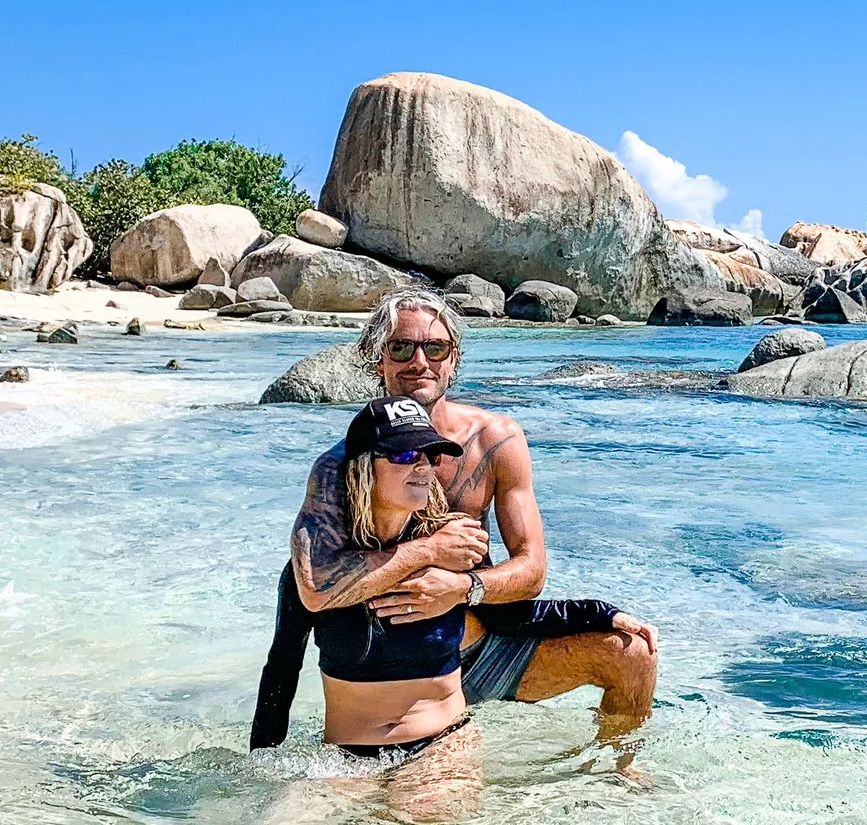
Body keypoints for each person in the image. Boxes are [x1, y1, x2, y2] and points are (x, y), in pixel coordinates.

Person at [249, 287, 659, 780]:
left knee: (633, 654)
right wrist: (430, 551)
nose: (419, 361)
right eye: (401, 347)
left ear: (453, 359)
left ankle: (612, 774)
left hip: (478, 642)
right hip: (389, 672)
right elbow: (310, 589)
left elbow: (532, 570)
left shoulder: (495, 442)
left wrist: (463, 589)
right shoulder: (344, 467)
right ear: (374, 358)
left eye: (435, 348)